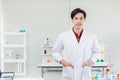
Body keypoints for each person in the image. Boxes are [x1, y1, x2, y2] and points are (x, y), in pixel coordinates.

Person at [52, 8, 102, 80]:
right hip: (69, 73)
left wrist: (92, 61)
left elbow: (97, 52)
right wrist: (63, 61)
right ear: (72, 20)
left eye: (81, 18)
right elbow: (55, 52)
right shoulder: (63, 36)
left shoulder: (91, 36)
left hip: (85, 73)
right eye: (76, 18)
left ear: (84, 20)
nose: (79, 21)